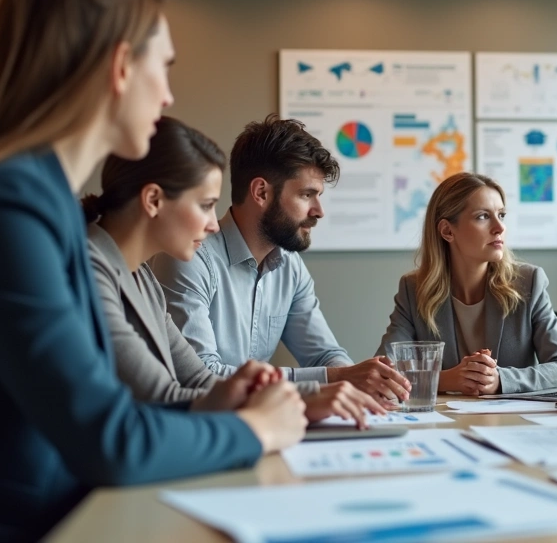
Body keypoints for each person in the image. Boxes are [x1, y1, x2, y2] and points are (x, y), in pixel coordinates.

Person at [0, 0, 307, 541]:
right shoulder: (4, 210)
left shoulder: (46, 207)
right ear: (121, 66)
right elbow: (108, 440)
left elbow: (115, 416)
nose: (170, 93)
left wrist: (222, 404)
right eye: (165, 67)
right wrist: (258, 431)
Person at [83, 116, 384, 426]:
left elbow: (199, 383)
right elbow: (162, 399)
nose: (214, 224)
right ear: (153, 200)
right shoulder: (95, 271)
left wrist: (316, 394)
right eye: (205, 205)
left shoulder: (140, 277)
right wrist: (277, 419)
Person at [150, 114, 411, 401]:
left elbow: (324, 354)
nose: (318, 210)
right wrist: (335, 378)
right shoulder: (189, 258)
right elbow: (204, 377)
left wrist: (354, 386)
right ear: (261, 192)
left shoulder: (290, 267)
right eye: (306, 195)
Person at [376, 172, 557, 395]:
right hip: (442, 423)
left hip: (509, 423)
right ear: (447, 231)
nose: (499, 227)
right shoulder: (413, 289)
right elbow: (383, 373)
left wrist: (501, 379)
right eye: (483, 216)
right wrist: (445, 380)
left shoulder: (529, 282)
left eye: (501, 215)